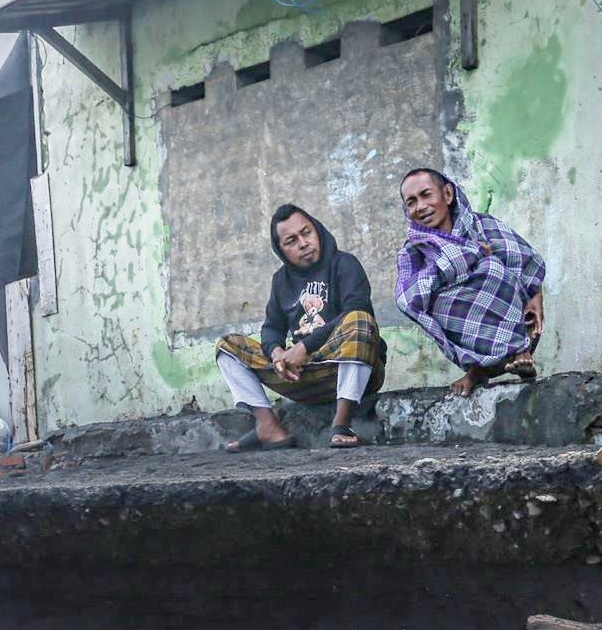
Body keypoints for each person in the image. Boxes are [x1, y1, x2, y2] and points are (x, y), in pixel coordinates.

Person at [215, 203, 387, 451]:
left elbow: (357, 309)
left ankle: (342, 424)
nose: (303, 243)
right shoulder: (281, 280)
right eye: (291, 241)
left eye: (306, 232)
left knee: (358, 318)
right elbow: (271, 327)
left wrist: (304, 347)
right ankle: (268, 427)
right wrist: (276, 353)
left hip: (352, 369)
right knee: (227, 346)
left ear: (317, 230)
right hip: (303, 374)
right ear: (281, 250)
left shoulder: (344, 264)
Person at [395, 168, 546, 396]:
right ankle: (477, 370)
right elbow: (407, 299)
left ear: (447, 194)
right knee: (442, 301)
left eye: (426, 194)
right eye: (412, 202)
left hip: (514, 316)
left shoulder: (483, 226)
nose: (421, 207)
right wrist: (469, 253)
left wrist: (537, 296)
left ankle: (520, 351)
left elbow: (526, 262)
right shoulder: (413, 251)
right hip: (460, 323)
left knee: (492, 269)